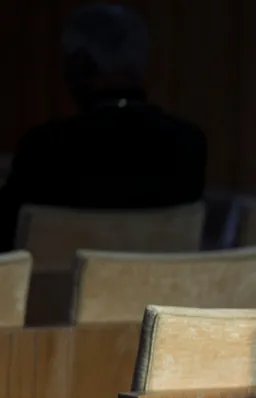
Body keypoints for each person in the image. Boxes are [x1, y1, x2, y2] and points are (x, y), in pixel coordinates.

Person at [0, 3, 206, 251]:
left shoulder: (45, 148)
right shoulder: (189, 145)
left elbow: (6, 242)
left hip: (54, 291)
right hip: (159, 289)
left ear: (82, 64)